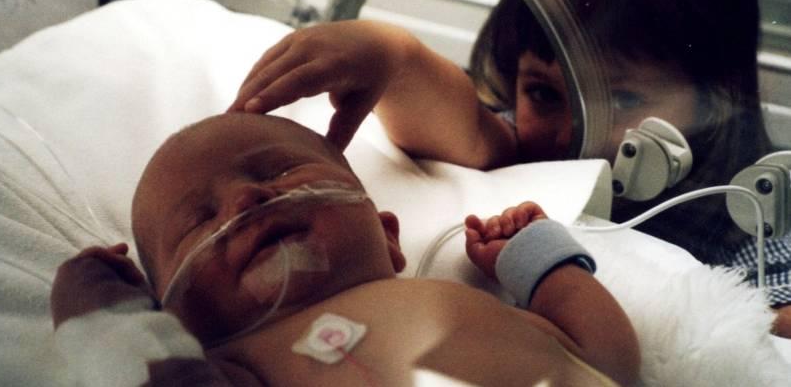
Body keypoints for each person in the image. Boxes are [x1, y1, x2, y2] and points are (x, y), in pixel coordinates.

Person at [227, 0, 791, 335]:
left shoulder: (754, 213)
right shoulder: (530, 149)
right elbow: (464, 129)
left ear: (716, 96)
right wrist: (394, 57)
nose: (574, 128)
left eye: (619, 98)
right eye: (544, 91)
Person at [51, 112, 640, 386]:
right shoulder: (234, 370)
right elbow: (142, 376)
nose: (247, 199)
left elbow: (607, 354)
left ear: (387, 236)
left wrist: (534, 260)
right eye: (199, 220)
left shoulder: (461, 304)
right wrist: (101, 312)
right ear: (176, 319)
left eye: (280, 170)